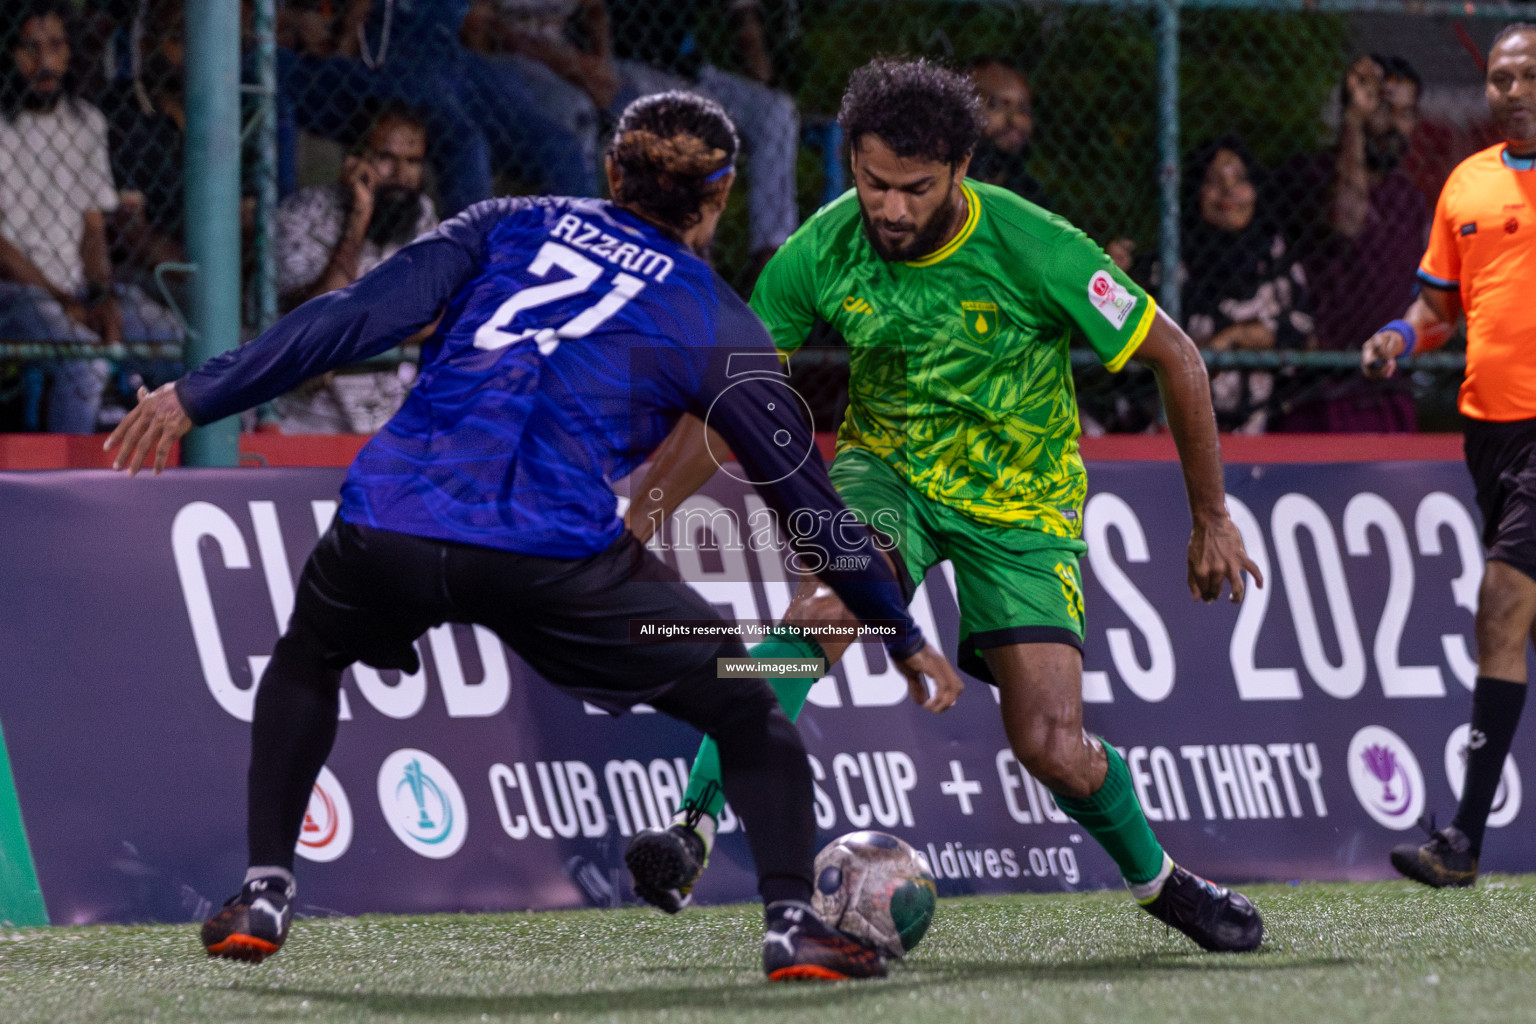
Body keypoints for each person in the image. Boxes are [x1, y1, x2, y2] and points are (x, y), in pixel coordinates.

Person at [105, 91, 964, 981]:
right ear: (718, 200)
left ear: (609, 171)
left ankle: (265, 891)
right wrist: (898, 635)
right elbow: (807, 505)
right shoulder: (719, 320)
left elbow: (352, 317)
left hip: (391, 522)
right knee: (747, 702)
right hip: (551, 558)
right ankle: (793, 925)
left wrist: (193, 396)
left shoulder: (506, 222)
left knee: (309, 657)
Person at [622, 58, 1267, 954]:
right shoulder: (824, 246)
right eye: (872, 181)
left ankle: (1162, 883)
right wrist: (634, 520)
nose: (888, 207)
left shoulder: (1036, 246)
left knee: (1053, 745)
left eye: (913, 189)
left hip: (1021, 504)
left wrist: (1212, 517)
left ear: (962, 170)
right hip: (887, 476)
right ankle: (687, 826)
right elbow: (729, 407)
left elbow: (1178, 357)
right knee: (823, 610)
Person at [1365, 24, 1536, 890]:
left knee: (1502, 606)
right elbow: (1438, 307)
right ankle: (1466, 838)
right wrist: (1400, 334)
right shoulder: (1465, 183)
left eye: (1530, 74)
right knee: (1515, 621)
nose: (1513, 89)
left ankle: (1462, 839)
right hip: (1491, 435)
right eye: (1502, 77)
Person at [0, 0, 181, 433]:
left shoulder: (85, 122)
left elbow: (92, 226)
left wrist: (100, 295)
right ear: (8, 53)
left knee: (174, 341)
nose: (45, 61)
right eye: (30, 48)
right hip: (14, 292)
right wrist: (65, 303)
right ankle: (73, 488)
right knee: (86, 364)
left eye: (56, 46)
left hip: (77, 290)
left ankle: (177, 470)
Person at [1273, 53, 1427, 432]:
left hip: (1388, 387)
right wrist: (1355, 120)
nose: (1394, 125)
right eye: (1383, 109)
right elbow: (1346, 219)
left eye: (1406, 115)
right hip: (1318, 389)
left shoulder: (1409, 199)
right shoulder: (1310, 175)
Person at [267, 103, 438, 433]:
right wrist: (358, 220)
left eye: (413, 162)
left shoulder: (422, 216)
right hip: (306, 417)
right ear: (355, 159)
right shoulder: (302, 215)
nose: (402, 175)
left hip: (389, 410)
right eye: (386, 158)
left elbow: (439, 313)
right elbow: (318, 323)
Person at [1179, 136, 1314, 434]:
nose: (1228, 191)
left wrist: (1233, 338)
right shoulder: (1172, 261)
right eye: (1214, 180)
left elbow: (1302, 329)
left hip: (1258, 430)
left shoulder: (1275, 258)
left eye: (1239, 179)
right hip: (1180, 429)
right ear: (1196, 191)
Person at [965, 56, 1049, 210]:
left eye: (1023, 109)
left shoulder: (1030, 193)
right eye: (997, 105)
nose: (1015, 120)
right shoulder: (948, 183)